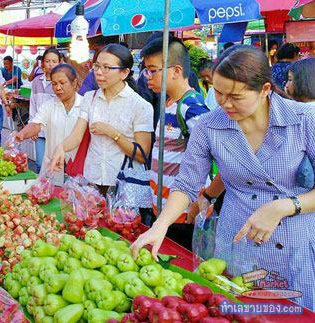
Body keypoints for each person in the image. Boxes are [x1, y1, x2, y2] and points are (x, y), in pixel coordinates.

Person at [131, 45, 315, 311]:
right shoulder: (209, 125)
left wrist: (284, 206)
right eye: (218, 92)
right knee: (236, 309)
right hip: (237, 242)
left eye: (236, 96)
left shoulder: (304, 119)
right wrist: (160, 226)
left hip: (295, 243)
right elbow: (186, 184)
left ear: (264, 90)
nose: (225, 103)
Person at [51, 44, 154, 196]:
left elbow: (141, 154)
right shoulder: (90, 98)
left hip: (124, 186)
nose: (98, 72)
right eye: (97, 66)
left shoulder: (140, 106)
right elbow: (76, 135)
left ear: (124, 73)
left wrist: (113, 133)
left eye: (106, 67)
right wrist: (61, 148)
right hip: (92, 181)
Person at [141, 36, 210, 248]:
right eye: (146, 70)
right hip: (163, 207)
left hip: (183, 213)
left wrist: (205, 198)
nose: (148, 77)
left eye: (153, 70)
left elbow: (213, 153)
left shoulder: (191, 107)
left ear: (176, 71)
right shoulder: (170, 103)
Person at [15, 64, 83, 183]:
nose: (58, 88)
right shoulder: (49, 105)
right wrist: (23, 133)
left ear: (74, 83)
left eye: (62, 83)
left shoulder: (85, 105)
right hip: (54, 167)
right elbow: (36, 124)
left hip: (78, 167)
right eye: (54, 84)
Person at [29, 48, 61, 173]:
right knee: (40, 164)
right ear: (43, 63)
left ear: (59, 62)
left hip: (57, 131)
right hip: (40, 130)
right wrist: (32, 126)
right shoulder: (37, 81)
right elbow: (33, 105)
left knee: (56, 165)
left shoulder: (61, 83)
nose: (51, 64)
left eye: (54, 61)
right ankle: (40, 190)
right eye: (48, 61)